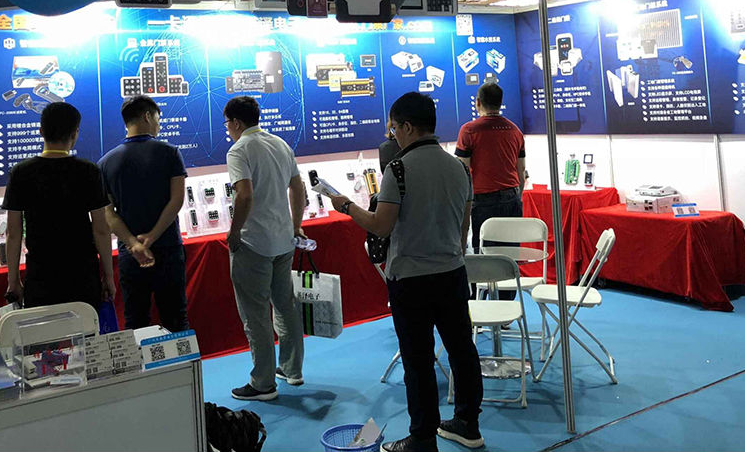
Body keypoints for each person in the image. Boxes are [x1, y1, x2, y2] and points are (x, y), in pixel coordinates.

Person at [328, 92, 483, 452]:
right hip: (452, 273)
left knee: (418, 361)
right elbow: (463, 227)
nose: (393, 134)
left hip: (411, 279)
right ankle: (468, 424)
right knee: (462, 352)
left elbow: (381, 226)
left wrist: (347, 206)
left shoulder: (397, 170)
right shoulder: (460, 168)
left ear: (408, 127)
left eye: (394, 128)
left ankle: (422, 437)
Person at [223, 96, 306, 402]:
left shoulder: (239, 150)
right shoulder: (280, 144)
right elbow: (298, 188)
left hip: (254, 242)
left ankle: (263, 383)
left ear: (236, 122)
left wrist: (234, 231)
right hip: (283, 240)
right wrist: (296, 225)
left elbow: (244, 196)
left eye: (227, 124)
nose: (227, 129)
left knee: (255, 314)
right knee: (285, 305)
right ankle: (292, 369)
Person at [4, 102, 116, 309]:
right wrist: (108, 276)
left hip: (40, 273)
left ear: (41, 131)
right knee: (85, 328)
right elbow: (101, 229)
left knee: (44, 329)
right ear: (75, 133)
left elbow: (13, 233)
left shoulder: (21, 172)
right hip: (82, 272)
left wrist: (13, 280)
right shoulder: (88, 171)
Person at [99, 96, 189, 332]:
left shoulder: (106, 162)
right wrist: (152, 237)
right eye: (158, 118)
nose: (159, 124)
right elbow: (176, 200)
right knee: (176, 318)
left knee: (136, 321)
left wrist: (134, 244)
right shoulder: (170, 152)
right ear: (148, 116)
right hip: (168, 248)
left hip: (131, 255)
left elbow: (108, 213)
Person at [455, 82, 526, 300]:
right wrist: (517, 195)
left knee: (482, 253)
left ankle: (481, 303)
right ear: (500, 103)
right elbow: (521, 171)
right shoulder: (515, 130)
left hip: (482, 200)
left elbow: (462, 172)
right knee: (509, 254)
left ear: (478, 103)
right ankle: (507, 306)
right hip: (511, 197)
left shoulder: (469, 130)